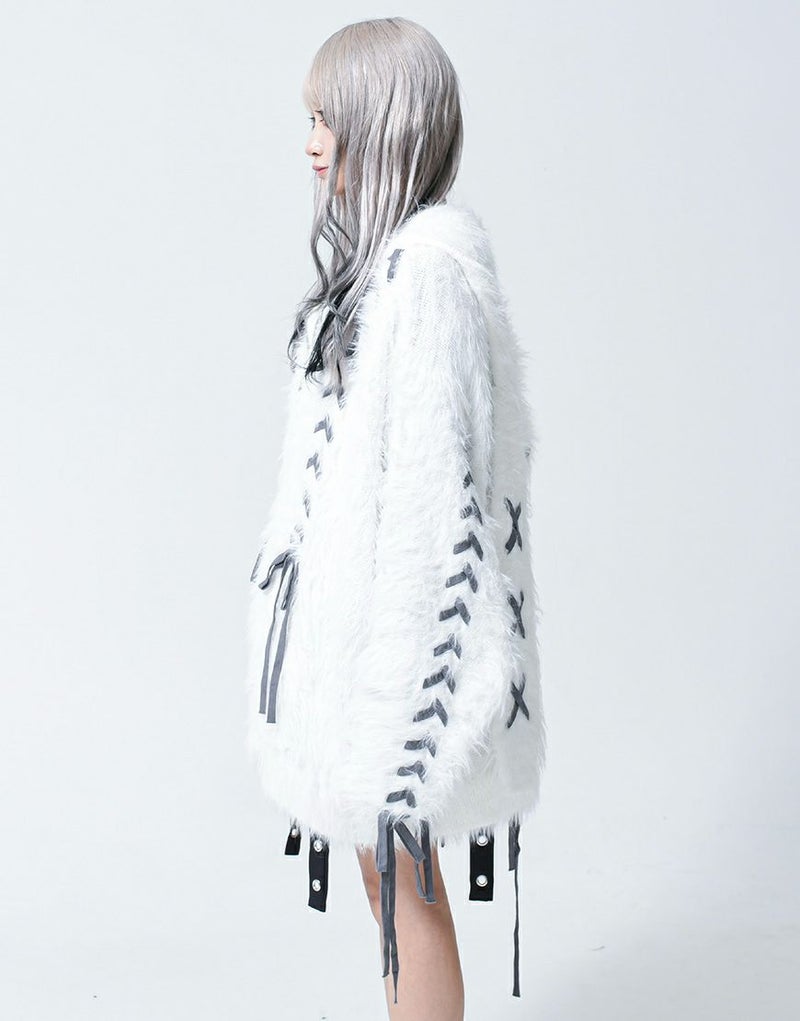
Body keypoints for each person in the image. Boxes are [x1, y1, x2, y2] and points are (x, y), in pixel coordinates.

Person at [244, 17, 546, 1019]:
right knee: (387, 884)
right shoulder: (381, 277)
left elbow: (433, 506)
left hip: (400, 665)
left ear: (384, 124)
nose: (309, 143)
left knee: (402, 883)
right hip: (361, 653)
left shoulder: (425, 282)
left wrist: (400, 708)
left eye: (325, 117)